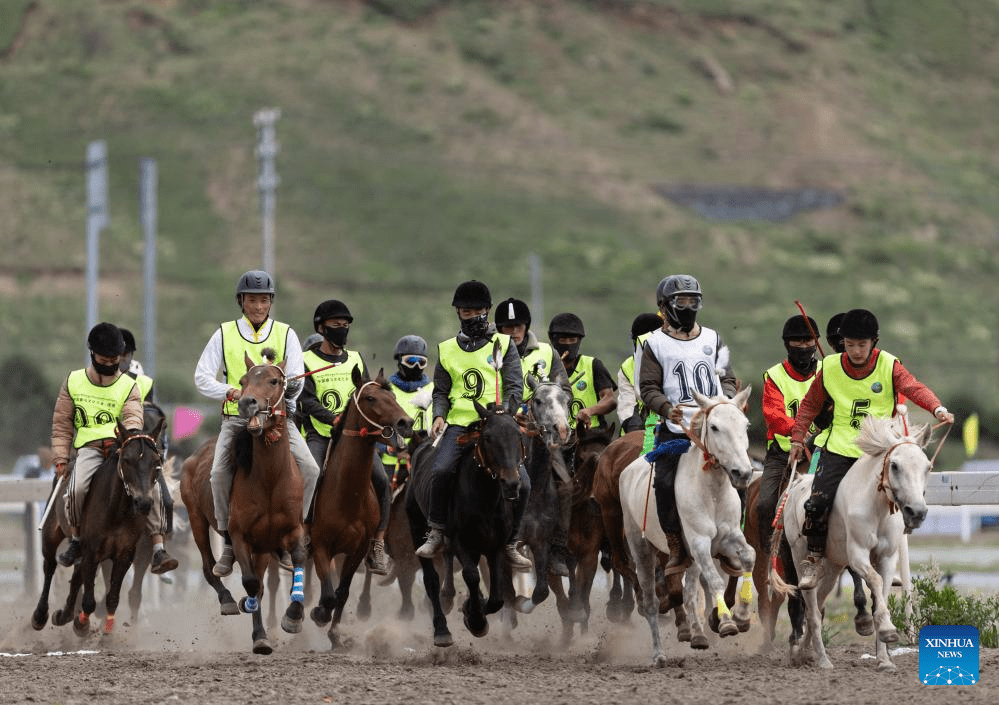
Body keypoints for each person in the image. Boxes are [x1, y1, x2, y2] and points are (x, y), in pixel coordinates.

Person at [787, 308, 954, 589]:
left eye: (861, 345)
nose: (855, 351)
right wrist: (796, 438)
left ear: (873, 342)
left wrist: (937, 408)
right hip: (840, 447)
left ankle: (890, 557)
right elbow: (809, 406)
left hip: (880, 449)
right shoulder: (829, 368)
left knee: (902, 497)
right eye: (849, 344)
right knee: (816, 503)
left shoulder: (889, 365)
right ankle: (814, 560)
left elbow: (913, 387)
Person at [193, 270, 321, 577]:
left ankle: (294, 532)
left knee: (311, 469)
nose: (259, 306)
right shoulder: (223, 333)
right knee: (218, 473)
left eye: (264, 300)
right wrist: (232, 391)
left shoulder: (286, 333)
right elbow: (201, 378)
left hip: (276, 418)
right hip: (237, 419)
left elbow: (295, 381)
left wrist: (281, 399)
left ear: (271, 302)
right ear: (241, 301)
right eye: (252, 300)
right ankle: (226, 540)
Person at [414, 280, 532, 570]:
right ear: (458, 313)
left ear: (488, 311)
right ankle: (437, 530)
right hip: (460, 423)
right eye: (467, 311)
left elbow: (514, 385)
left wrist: (505, 411)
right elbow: (441, 391)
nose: (473, 315)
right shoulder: (446, 349)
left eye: (478, 310)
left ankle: (511, 541)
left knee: (525, 483)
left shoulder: (503, 344)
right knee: (440, 470)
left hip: (497, 422)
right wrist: (439, 415)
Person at [52, 322, 178, 573]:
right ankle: (76, 540)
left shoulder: (129, 385)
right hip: (89, 448)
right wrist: (61, 457)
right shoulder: (73, 381)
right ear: (92, 353)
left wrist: (130, 441)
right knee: (75, 489)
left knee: (148, 487)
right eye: (104, 358)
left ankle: (158, 547)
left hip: (122, 447)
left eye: (115, 359)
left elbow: (133, 415)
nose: (110, 364)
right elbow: (61, 423)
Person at [638, 275, 738, 570]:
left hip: (716, 428)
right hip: (678, 428)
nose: (688, 306)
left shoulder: (713, 338)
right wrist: (665, 408)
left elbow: (728, 378)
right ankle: (675, 544)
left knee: (741, 473)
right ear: (665, 306)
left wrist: (726, 401)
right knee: (665, 481)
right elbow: (648, 388)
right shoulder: (655, 345)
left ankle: (733, 538)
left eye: (693, 301)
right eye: (681, 301)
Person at [297, 299, 392, 575]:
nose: (342, 330)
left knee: (382, 480)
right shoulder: (307, 361)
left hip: (355, 437)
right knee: (310, 472)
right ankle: (303, 533)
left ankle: (377, 543)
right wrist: (333, 418)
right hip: (322, 435)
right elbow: (308, 400)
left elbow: (365, 394)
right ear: (321, 328)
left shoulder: (355, 358)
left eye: (345, 325)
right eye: (336, 325)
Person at [495, 297, 572, 576]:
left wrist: (548, 416)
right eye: (506, 327)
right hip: (505, 429)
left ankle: (557, 548)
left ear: (526, 326)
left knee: (565, 483)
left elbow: (565, 391)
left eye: (517, 326)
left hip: (541, 433)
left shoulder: (547, 353)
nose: (513, 332)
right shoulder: (492, 354)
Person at [756, 315, 821, 553]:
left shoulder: (828, 371)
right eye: (797, 341)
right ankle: (768, 553)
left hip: (819, 449)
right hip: (782, 452)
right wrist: (798, 432)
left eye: (808, 341)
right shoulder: (774, 376)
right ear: (787, 344)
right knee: (764, 505)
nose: (804, 346)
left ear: (816, 343)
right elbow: (773, 414)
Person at [547, 313, 617, 430]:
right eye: (563, 340)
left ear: (579, 340)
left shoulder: (593, 365)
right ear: (553, 340)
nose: (568, 344)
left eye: (572, 340)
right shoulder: (542, 368)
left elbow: (610, 399)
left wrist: (590, 411)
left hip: (590, 435)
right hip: (553, 435)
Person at [381, 335, 434, 486]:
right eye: (410, 361)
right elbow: (375, 429)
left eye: (421, 362)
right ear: (399, 361)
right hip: (392, 462)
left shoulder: (435, 390)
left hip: (423, 461)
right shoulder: (386, 391)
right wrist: (391, 449)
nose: (416, 366)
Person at [617, 312, 663, 434]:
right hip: (638, 429)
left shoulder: (672, 360)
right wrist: (632, 425)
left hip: (669, 424)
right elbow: (626, 404)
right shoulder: (627, 367)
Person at [118, 328, 156, 402]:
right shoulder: (97, 378)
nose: (121, 358)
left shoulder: (144, 384)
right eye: (117, 354)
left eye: (125, 354)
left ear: (131, 356)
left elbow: (149, 411)